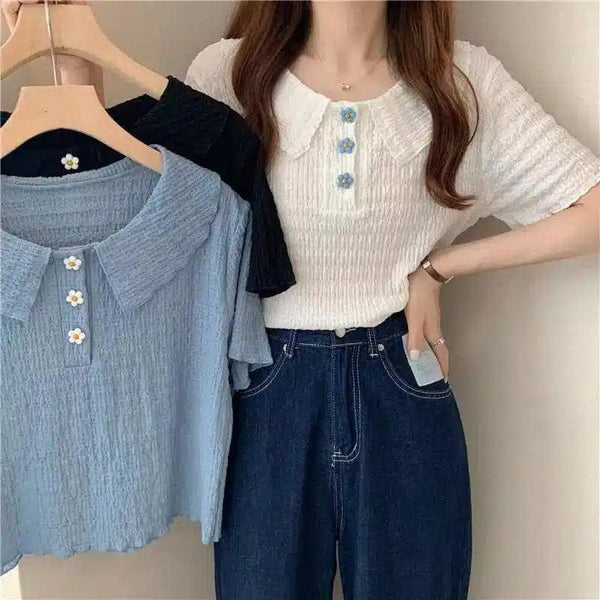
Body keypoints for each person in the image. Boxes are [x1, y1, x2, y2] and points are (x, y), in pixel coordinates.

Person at [3, 1, 598, 599]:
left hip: (401, 381)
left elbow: (590, 211)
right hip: (266, 389)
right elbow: (125, 182)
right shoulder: (232, 72)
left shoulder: (460, 81)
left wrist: (439, 269)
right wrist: (68, 51)